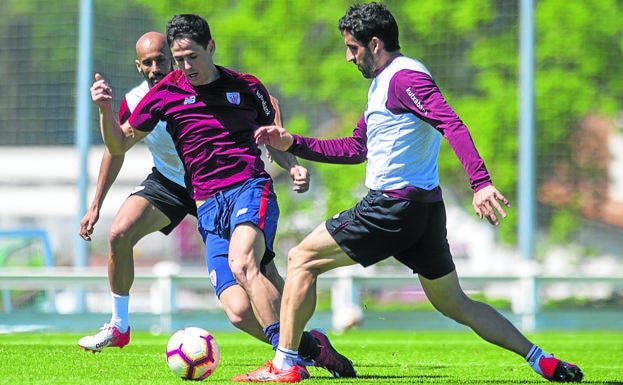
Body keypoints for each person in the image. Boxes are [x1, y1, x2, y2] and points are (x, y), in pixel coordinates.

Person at [236, 2, 584, 383]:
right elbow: (356, 148)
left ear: (374, 43)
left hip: (391, 207)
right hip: (423, 211)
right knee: (454, 302)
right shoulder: (383, 85)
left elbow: (451, 123)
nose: (348, 57)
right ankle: (540, 359)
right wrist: (292, 142)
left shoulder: (405, 79)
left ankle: (285, 364)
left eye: (352, 48)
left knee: (302, 259)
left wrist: (480, 182)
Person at [91, 15, 356, 379]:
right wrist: (105, 110)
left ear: (211, 48)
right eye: (179, 58)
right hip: (208, 207)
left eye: (193, 57)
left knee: (244, 262)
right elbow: (118, 143)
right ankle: (313, 349)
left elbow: (273, 138)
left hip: (249, 188)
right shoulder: (164, 94)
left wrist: (291, 165)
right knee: (237, 311)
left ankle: (285, 364)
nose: (186, 66)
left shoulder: (247, 87)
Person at [77, 32, 309, 353]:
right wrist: (95, 205)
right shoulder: (134, 102)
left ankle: (298, 339)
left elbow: (266, 100)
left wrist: (278, 145)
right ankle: (119, 325)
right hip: (171, 183)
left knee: (260, 268)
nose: (157, 67)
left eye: (162, 59)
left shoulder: (198, 82)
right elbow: (116, 147)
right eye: (149, 63)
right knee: (118, 233)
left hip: (217, 185)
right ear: (138, 66)